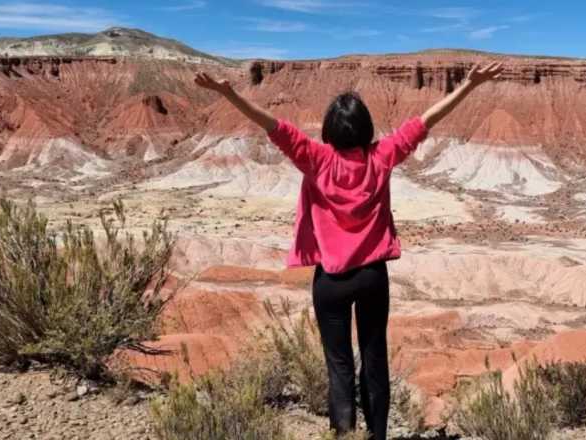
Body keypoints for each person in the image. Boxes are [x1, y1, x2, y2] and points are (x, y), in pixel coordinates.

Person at [195, 61, 504, 439]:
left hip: (331, 281)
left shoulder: (315, 158)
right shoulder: (382, 157)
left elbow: (272, 126)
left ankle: (344, 436)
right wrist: (468, 86)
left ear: (329, 130)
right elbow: (425, 122)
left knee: (338, 365)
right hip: (373, 277)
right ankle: (376, 436)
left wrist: (227, 93)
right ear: (366, 128)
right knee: (375, 361)